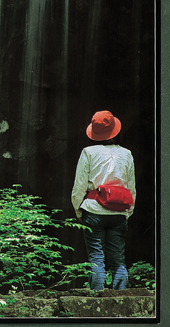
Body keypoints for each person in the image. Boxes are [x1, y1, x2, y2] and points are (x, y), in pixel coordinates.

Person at [71, 110, 136, 292]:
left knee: (96, 258)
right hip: (119, 212)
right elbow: (131, 187)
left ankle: (97, 299)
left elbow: (79, 186)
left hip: (93, 210)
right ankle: (121, 299)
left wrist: (78, 210)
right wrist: (128, 213)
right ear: (115, 130)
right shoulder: (127, 154)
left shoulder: (88, 152)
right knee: (118, 260)